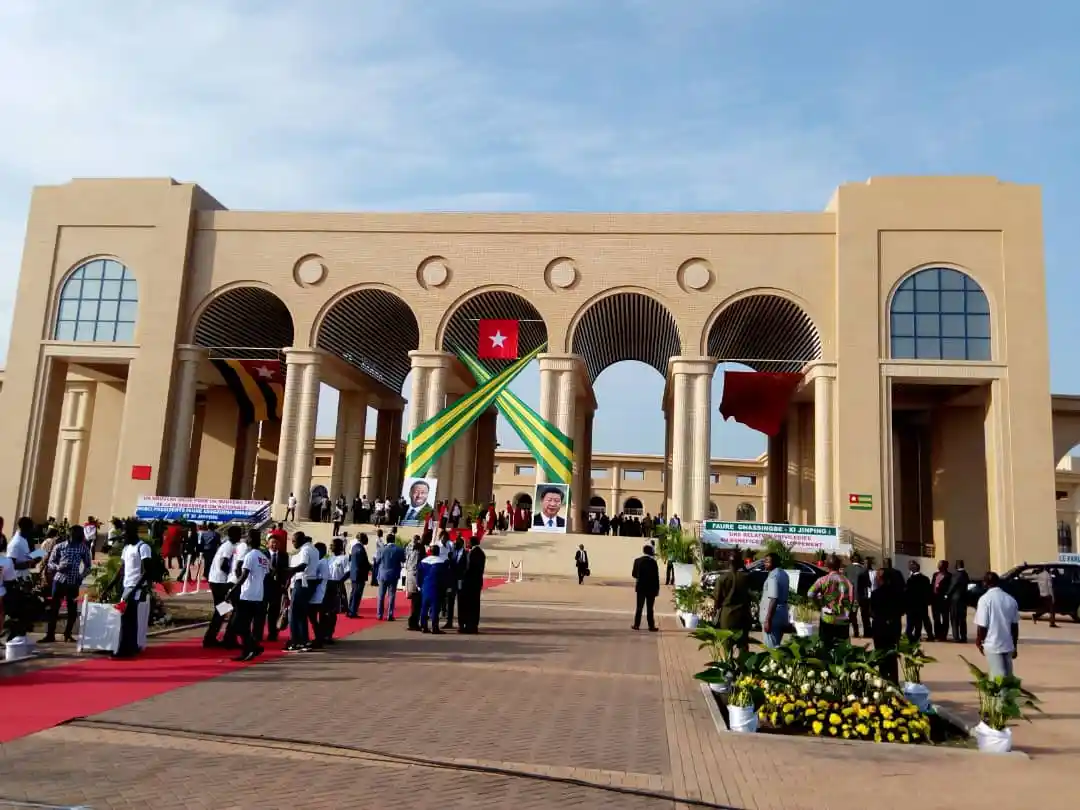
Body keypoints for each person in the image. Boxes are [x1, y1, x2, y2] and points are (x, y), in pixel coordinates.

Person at [41, 525, 93, 643]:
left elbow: (88, 566)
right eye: (77, 534)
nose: (79, 536)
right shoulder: (60, 546)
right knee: (54, 608)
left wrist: (81, 576)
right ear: (71, 534)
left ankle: (67, 634)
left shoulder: (83, 548)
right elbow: (50, 562)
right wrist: (59, 567)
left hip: (73, 582)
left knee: (72, 609)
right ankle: (50, 634)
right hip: (59, 580)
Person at [107, 521, 151, 658]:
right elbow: (122, 569)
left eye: (126, 533)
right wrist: (111, 585)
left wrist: (134, 590)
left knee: (126, 619)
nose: (123, 536)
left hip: (135, 588)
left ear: (132, 533)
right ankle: (132, 647)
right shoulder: (127, 548)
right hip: (127, 587)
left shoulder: (143, 547)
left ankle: (123, 651)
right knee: (129, 619)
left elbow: (147, 571)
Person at [225, 530, 269, 662]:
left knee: (237, 625)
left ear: (250, 539)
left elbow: (243, 576)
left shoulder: (250, 556)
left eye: (247, 537)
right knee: (243, 624)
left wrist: (232, 590)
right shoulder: (263, 557)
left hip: (247, 595)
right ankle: (252, 648)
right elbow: (266, 575)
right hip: (257, 595)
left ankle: (250, 649)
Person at [975, 571, 1020, 678]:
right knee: (1007, 677)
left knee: (998, 677)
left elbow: (982, 625)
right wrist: (1014, 645)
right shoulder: (1010, 599)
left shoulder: (985, 600)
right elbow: (1015, 626)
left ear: (985, 583)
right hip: (1007, 644)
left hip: (992, 644)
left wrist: (979, 640)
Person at [203, 526, 239, 648]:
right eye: (239, 534)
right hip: (219, 581)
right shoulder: (228, 546)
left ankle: (211, 637)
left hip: (216, 580)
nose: (240, 537)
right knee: (221, 610)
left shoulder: (226, 545)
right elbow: (224, 564)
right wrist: (231, 575)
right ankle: (210, 638)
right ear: (233, 535)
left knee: (222, 610)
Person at [807, 555, 855, 647]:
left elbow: (810, 594)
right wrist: (852, 615)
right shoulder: (847, 582)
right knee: (841, 648)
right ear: (839, 565)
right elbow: (854, 601)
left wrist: (817, 605)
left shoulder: (822, 580)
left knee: (825, 647)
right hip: (843, 619)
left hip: (826, 619)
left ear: (827, 566)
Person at [871, 558, 905, 683]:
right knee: (892, 657)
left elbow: (872, 612)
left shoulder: (875, 594)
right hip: (894, 627)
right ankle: (894, 681)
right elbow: (902, 610)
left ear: (880, 579)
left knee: (881, 656)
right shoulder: (898, 594)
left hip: (879, 628)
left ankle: (883, 681)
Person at [285, 531, 318, 652]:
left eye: (294, 541)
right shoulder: (314, 549)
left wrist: (289, 570)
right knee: (302, 614)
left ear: (301, 539)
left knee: (294, 613)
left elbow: (303, 565)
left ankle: (295, 641)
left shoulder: (305, 550)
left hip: (302, 582)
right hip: (310, 582)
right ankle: (304, 641)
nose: (293, 543)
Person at [713, 556, 752, 648]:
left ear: (728, 563)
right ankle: (742, 662)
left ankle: (728, 661)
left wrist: (716, 610)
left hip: (727, 614)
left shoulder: (722, 578)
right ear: (739, 564)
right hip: (743, 613)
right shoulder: (746, 578)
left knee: (727, 644)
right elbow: (750, 595)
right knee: (743, 645)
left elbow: (717, 598)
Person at [263, 531, 290, 642]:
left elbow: (286, 571)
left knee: (274, 612)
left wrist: (285, 585)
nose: (274, 545)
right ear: (268, 544)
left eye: (276, 543)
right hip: (264, 586)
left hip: (277, 587)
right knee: (261, 611)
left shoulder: (284, 556)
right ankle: (257, 633)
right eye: (272, 543)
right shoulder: (263, 554)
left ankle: (272, 633)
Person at [321, 537, 348, 643]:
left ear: (339, 547)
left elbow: (348, 572)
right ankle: (322, 633)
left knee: (332, 611)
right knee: (323, 611)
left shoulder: (344, 558)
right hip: (326, 585)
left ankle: (329, 634)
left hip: (336, 585)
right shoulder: (328, 559)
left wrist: (340, 582)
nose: (331, 547)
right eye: (330, 545)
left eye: (333, 545)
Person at [761, 552, 790, 649]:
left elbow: (773, 598)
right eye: (764, 561)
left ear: (775, 563)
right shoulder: (784, 574)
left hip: (773, 617)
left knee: (771, 649)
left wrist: (768, 619)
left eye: (768, 562)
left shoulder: (773, 576)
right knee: (776, 646)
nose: (765, 563)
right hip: (782, 613)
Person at [459, 537, 486, 633]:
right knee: (475, 604)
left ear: (472, 543)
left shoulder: (474, 553)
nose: (467, 543)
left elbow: (469, 568)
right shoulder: (480, 553)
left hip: (470, 582)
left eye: (468, 542)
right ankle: (473, 625)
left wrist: (462, 576)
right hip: (476, 582)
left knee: (470, 604)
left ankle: (470, 625)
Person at [376, 535, 406, 621]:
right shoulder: (399, 549)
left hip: (382, 574)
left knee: (381, 595)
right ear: (394, 540)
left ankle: (379, 614)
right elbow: (403, 560)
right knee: (392, 595)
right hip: (394, 574)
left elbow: (377, 561)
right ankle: (390, 614)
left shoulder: (381, 549)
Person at [631, 544, 660, 631]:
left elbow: (634, 574)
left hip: (640, 587)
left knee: (639, 607)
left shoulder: (637, 561)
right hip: (651, 588)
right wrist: (657, 589)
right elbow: (656, 577)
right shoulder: (653, 562)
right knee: (650, 608)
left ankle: (636, 625)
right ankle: (651, 626)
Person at [418, 543, 446, 633]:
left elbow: (419, 575)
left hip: (425, 586)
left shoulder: (423, 561)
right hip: (436, 586)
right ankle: (435, 627)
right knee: (435, 608)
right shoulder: (442, 562)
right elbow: (444, 577)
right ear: (438, 552)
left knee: (424, 607)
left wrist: (419, 585)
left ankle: (424, 626)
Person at [904, 560, 933, 642]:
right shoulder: (925, 579)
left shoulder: (910, 580)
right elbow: (928, 591)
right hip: (922, 604)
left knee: (911, 621)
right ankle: (924, 635)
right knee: (922, 620)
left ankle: (910, 635)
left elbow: (907, 592)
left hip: (912, 604)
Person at [444, 536, 467, 629]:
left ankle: (461, 624)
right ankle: (449, 622)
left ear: (461, 544)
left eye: (457, 543)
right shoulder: (452, 552)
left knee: (461, 601)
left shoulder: (465, 553)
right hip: (452, 580)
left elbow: (466, 567)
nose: (455, 544)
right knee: (450, 601)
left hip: (460, 580)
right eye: (454, 543)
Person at [347, 533, 371, 618]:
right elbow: (362, 563)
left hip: (354, 573)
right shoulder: (360, 549)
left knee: (353, 593)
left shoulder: (354, 547)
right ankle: (353, 612)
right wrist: (370, 567)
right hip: (359, 574)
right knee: (357, 594)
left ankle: (350, 610)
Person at [843, 553, 866, 637]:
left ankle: (850, 632)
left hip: (848, 597)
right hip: (859, 597)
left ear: (851, 560)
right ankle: (860, 632)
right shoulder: (863, 570)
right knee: (859, 615)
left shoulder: (847, 569)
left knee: (850, 614)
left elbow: (844, 583)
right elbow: (866, 584)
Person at [948, 559, 971, 642]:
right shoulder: (966, 574)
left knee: (954, 618)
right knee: (962, 619)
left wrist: (947, 594)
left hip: (955, 599)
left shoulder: (956, 575)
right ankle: (963, 636)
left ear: (957, 565)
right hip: (963, 599)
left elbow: (953, 585)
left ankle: (956, 637)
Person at [931, 560, 953, 641]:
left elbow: (950, 588)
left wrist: (947, 596)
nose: (939, 566)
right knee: (936, 618)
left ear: (945, 566)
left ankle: (943, 635)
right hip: (935, 599)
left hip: (944, 600)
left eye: (940, 565)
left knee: (945, 618)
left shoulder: (949, 576)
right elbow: (932, 585)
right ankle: (937, 635)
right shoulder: (935, 574)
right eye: (938, 564)